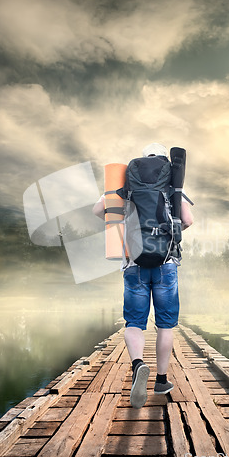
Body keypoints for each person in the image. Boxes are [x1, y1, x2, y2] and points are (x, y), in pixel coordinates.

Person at [93, 143, 193, 408]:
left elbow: (96, 211)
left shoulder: (126, 184)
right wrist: (167, 230)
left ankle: (138, 363)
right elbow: (189, 220)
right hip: (166, 263)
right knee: (165, 325)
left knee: (134, 323)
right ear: (163, 163)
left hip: (133, 263)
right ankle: (161, 380)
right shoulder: (174, 188)